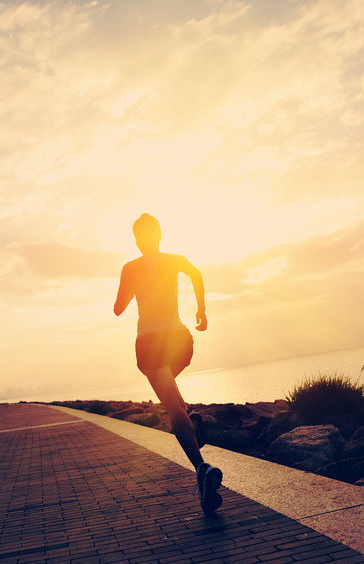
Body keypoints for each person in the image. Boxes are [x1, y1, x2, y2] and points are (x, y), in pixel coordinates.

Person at [113, 213, 223, 513]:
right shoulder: (175, 258)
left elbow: (118, 308)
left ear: (136, 240)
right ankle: (190, 416)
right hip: (179, 339)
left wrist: (135, 286)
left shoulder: (131, 267)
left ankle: (201, 470)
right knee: (172, 394)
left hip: (150, 342)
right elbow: (196, 274)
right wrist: (202, 310)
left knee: (171, 406)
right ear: (160, 235)